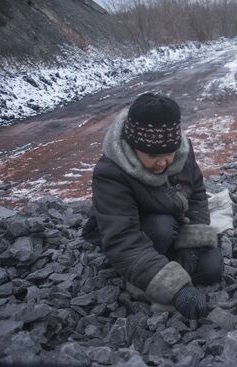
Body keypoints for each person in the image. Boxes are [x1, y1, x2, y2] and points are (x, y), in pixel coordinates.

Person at [82, 93, 223, 320]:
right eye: (152, 156)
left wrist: (192, 243)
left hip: (174, 225)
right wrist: (177, 290)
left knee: (212, 268)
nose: (163, 162)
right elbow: (122, 240)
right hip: (138, 233)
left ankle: (155, 269)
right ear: (133, 146)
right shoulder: (110, 173)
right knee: (161, 226)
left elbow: (197, 194)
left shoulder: (183, 152)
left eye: (169, 153)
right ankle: (139, 276)